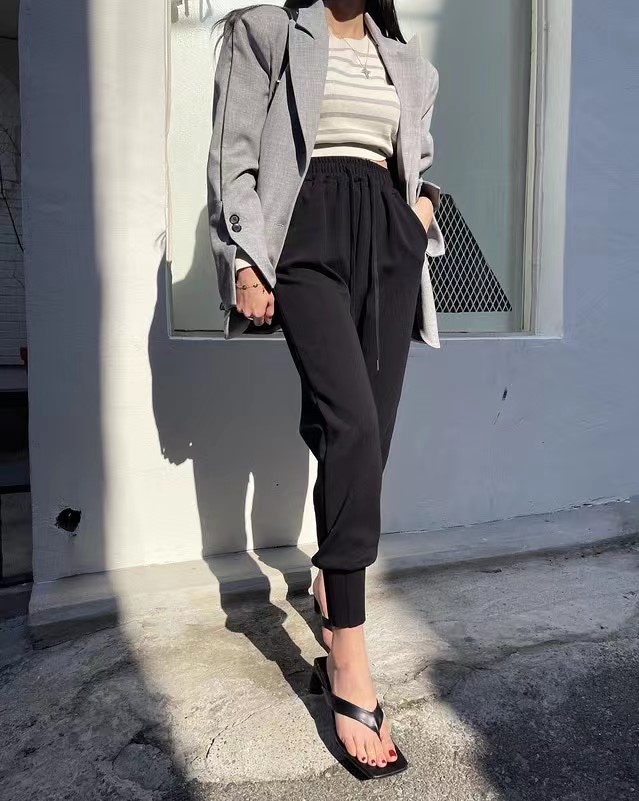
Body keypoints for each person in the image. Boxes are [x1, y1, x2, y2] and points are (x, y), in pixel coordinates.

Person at [208, 0, 444, 778]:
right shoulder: (267, 32)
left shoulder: (406, 58)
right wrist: (245, 260)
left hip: (388, 239)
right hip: (304, 233)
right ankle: (348, 653)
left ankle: (326, 575)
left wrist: (420, 213)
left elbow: (418, 157)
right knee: (352, 428)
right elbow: (234, 155)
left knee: (363, 433)